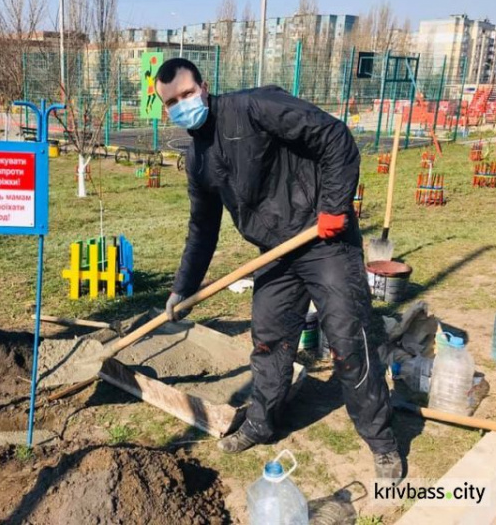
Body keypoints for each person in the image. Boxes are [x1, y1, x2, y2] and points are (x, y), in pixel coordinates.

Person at [154, 58, 403, 481]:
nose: (182, 104)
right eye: (172, 102)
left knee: (347, 340)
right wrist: (182, 289)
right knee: (268, 342)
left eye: (187, 94)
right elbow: (202, 230)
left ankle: (381, 442)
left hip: (323, 238)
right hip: (274, 251)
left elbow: (335, 137)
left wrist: (334, 206)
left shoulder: (255, 107)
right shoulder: (197, 159)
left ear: (205, 86)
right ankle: (260, 422)